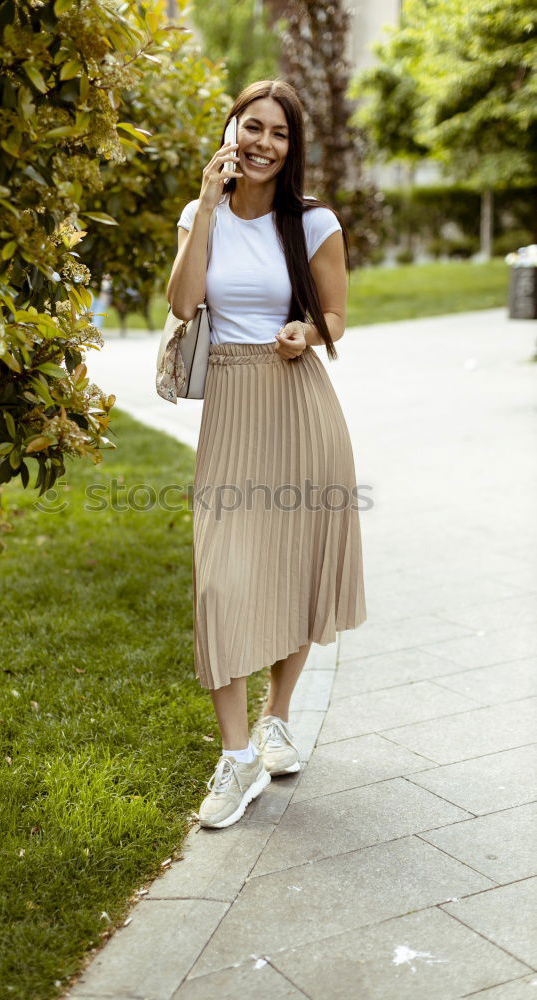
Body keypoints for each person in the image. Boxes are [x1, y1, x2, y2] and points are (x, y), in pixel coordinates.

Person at [166, 79, 367, 830]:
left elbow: (337, 315)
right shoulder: (201, 214)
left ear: (293, 148)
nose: (262, 143)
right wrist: (206, 206)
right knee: (220, 580)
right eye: (252, 127)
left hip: (300, 404)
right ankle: (238, 756)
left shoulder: (312, 223)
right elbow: (183, 305)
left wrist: (307, 333)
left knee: (296, 566)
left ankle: (277, 721)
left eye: (278, 134)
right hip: (232, 408)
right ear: (231, 129)